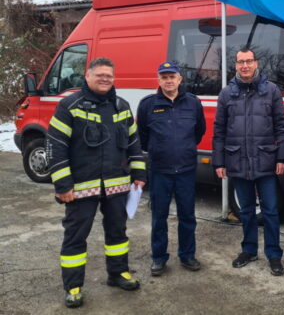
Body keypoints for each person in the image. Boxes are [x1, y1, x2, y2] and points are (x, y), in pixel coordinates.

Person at [46, 57, 147, 308]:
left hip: (117, 186)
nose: (105, 79)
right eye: (100, 74)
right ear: (88, 76)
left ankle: (118, 273)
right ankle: (73, 286)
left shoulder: (121, 106)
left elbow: (134, 143)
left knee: (117, 232)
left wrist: (140, 175)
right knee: (75, 237)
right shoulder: (70, 106)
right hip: (80, 187)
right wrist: (63, 185)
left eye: (109, 76)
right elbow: (55, 146)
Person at [212, 48, 284, 276]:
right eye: (240, 62)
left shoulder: (271, 90)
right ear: (235, 65)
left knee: (271, 211)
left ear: (256, 63)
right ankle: (249, 250)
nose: (245, 65)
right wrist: (218, 162)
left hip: (266, 160)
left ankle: (274, 255)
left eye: (249, 61)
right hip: (237, 160)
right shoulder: (226, 93)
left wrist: (282, 156)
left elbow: (282, 127)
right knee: (246, 211)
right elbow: (219, 129)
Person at [137, 61, 206, 276]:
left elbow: (199, 132)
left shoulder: (193, 103)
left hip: (185, 170)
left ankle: (187, 255)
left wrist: (182, 149)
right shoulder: (148, 104)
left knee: (187, 216)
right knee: (159, 217)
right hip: (160, 171)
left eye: (172, 76)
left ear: (179, 79)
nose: (168, 80)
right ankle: (159, 258)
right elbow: (143, 136)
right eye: (164, 77)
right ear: (158, 80)